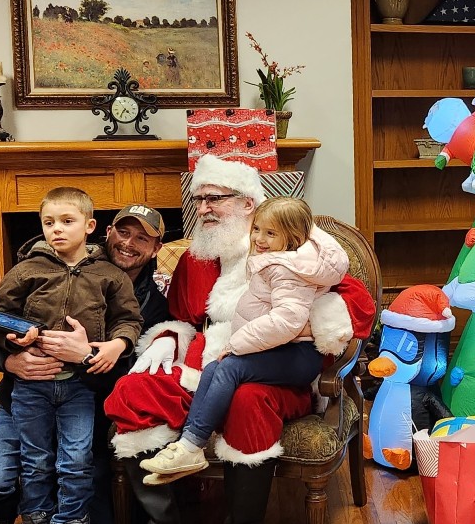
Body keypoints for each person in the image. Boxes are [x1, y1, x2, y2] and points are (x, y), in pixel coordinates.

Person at [105, 155, 374, 524]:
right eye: (199, 199)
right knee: (133, 390)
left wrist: (311, 319)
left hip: (276, 369)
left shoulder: (291, 248)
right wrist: (167, 337)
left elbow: (357, 305)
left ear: (248, 202)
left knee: (248, 400)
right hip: (207, 363)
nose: (203, 209)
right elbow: (182, 317)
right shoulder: (196, 258)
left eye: (214, 198)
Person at [0, 202, 168, 524]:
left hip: (87, 407)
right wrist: (10, 361)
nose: (128, 243)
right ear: (105, 231)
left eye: (142, 238)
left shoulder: (154, 305)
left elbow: (138, 371)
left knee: (91, 507)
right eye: (123, 232)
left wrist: (87, 355)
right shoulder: (41, 267)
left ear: (156, 248)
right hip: (23, 399)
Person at [139, 196, 349, 481]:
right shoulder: (280, 260)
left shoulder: (288, 270)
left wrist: (236, 344)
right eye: (257, 229)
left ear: (293, 238)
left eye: (271, 233)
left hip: (298, 357)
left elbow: (287, 321)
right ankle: (188, 444)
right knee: (212, 368)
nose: (259, 239)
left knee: (228, 367)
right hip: (282, 350)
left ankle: (192, 444)